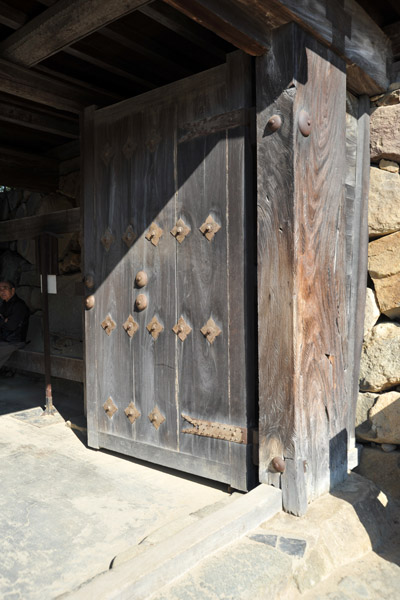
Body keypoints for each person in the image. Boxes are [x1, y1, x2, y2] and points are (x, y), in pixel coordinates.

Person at [0, 280, 30, 371]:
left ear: (12, 290)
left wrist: (2, 320)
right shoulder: (4, 305)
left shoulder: (19, 306)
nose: (2, 292)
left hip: (14, 341)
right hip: (4, 339)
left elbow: (11, 326)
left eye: (5, 288)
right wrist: (3, 321)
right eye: (0, 290)